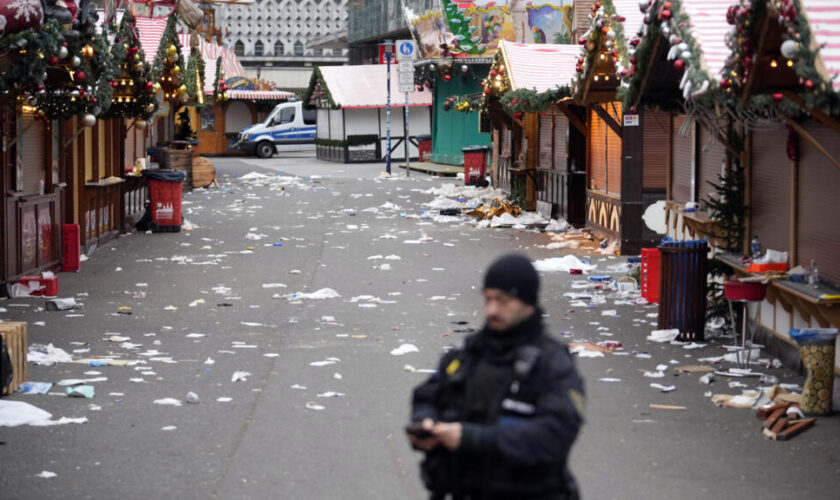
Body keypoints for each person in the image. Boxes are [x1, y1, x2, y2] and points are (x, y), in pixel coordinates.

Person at [408, 254, 585, 500]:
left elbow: (552, 436)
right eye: (488, 299)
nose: (492, 310)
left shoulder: (552, 363)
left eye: (503, 301)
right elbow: (427, 395)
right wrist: (426, 423)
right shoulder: (467, 353)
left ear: (527, 302)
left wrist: (467, 437)